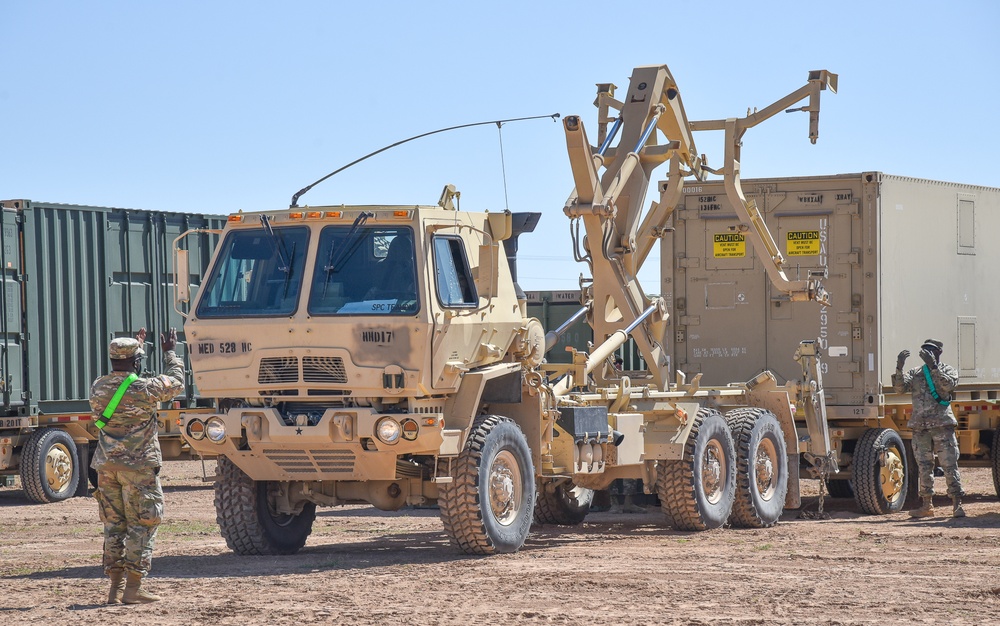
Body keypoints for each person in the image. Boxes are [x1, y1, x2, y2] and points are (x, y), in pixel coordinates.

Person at [90, 327, 185, 604]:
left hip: (107, 468)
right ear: (137, 361)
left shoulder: (98, 386)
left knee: (114, 525)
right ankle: (133, 588)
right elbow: (176, 382)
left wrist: (135, 351)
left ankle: (115, 589)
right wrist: (170, 353)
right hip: (139, 467)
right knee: (142, 524)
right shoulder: (145, 389)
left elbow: (124, 383)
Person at [893, 339, 965, 518]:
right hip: (920, 427)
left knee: (949, 465)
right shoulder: (917, 372)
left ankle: (957, 505)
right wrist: (899, 368)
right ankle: (927, 505)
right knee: (924, 467)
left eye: (931, 350)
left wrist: (934, 366)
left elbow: (948, 385)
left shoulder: (947, 370)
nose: (927, 353)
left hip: (942, 425)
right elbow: (900, 389)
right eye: (925, 350)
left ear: (939, 352)